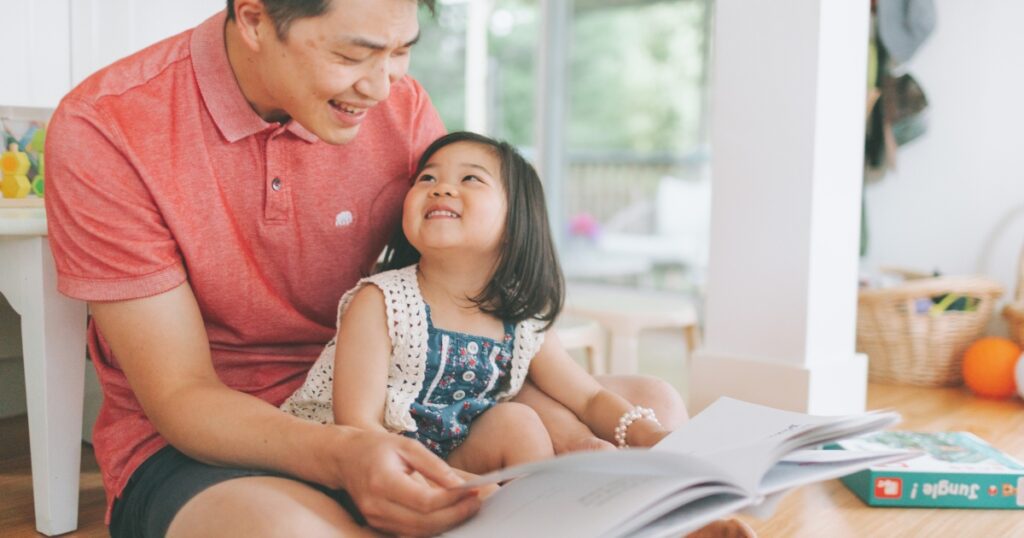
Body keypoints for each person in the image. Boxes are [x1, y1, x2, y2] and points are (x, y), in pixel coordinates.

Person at [43, 0, 685, 536]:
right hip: (214, 441)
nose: (382, 87)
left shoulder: (398, 107)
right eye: (351, 56)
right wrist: (352, 453)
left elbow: (455, 292)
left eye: (401, 50)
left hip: (402, 398)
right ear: (255, 18)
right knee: (288, 532)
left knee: (650, 403)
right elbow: (183, 397)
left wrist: (577, 423)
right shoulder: (106, 128)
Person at [281, 132, 673, 474]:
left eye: (470, 178)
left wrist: (648, 434)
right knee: (519, 434)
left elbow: (587, 397)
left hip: (456, 458)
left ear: (515, 220)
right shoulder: (382, 302)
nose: (440, 188)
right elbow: (358, 426)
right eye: (427, 178)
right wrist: (449, 483)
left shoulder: (521, 319)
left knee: (517, 424)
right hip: (374, 460)